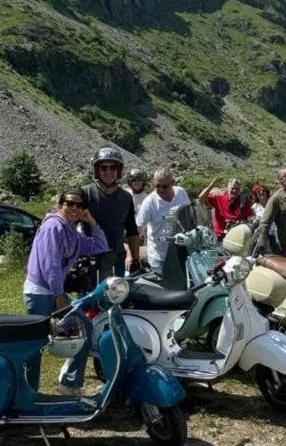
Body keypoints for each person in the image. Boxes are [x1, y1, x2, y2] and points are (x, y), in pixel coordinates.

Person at [23, 188, 110, 395]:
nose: (74, 208)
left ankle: (69, 383)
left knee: (84, 327)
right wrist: (59, 295)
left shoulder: (72, 232)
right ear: (60, 205)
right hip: (40, 292)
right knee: (37, 343)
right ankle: (28, 393)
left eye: (80, 205)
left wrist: (92, 222)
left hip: (54, 291)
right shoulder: (53, 226)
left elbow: (100, 246)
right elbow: (50, 264)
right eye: (70, 203)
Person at [81, 148, 141, 277]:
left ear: (118, 171)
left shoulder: (126, 198)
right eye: (103, 168)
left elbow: (131, 230)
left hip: (116, 259)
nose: (108, 172)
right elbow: (68, 220)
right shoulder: (85, 193)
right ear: (97, 170)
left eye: (113, 168)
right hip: (90, 259)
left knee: (117, 290)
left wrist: (135, 259)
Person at [136, 168, 192, 274]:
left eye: (165, 186)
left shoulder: (180, 193)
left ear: (173, 183)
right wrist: (132, 254)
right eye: (157, 186)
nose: (161, 190)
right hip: (159, 257)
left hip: (182, 252)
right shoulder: (149, 203)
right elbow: (138, 229)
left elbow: (188, 215)